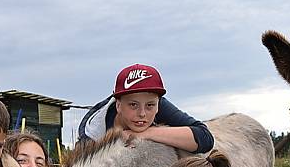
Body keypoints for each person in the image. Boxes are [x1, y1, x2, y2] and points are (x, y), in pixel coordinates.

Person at [77, 63, 214, 154]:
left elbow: (205, 137)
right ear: (118, 105)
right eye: (133, 105)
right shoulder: (92, 137)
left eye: (150, 105)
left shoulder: (158, 104)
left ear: (158, 104)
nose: (142, 114)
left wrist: (144, 134)